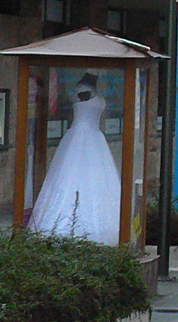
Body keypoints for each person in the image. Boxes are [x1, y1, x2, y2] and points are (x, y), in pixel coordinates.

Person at [28, 73, 121, 245]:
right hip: (80, 136)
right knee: (72, 174)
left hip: (94, 137)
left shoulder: (91, 91)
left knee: (95, 177)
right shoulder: (83, 89)